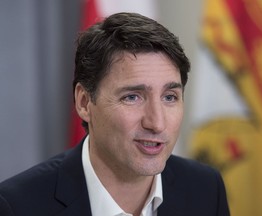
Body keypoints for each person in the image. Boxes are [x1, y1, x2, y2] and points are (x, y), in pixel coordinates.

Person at [0, 12, 230, 216]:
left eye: (169, 97)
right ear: (84, 102)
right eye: (132, 97)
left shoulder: (206, 189)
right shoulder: (17, 206)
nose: (157, 123)